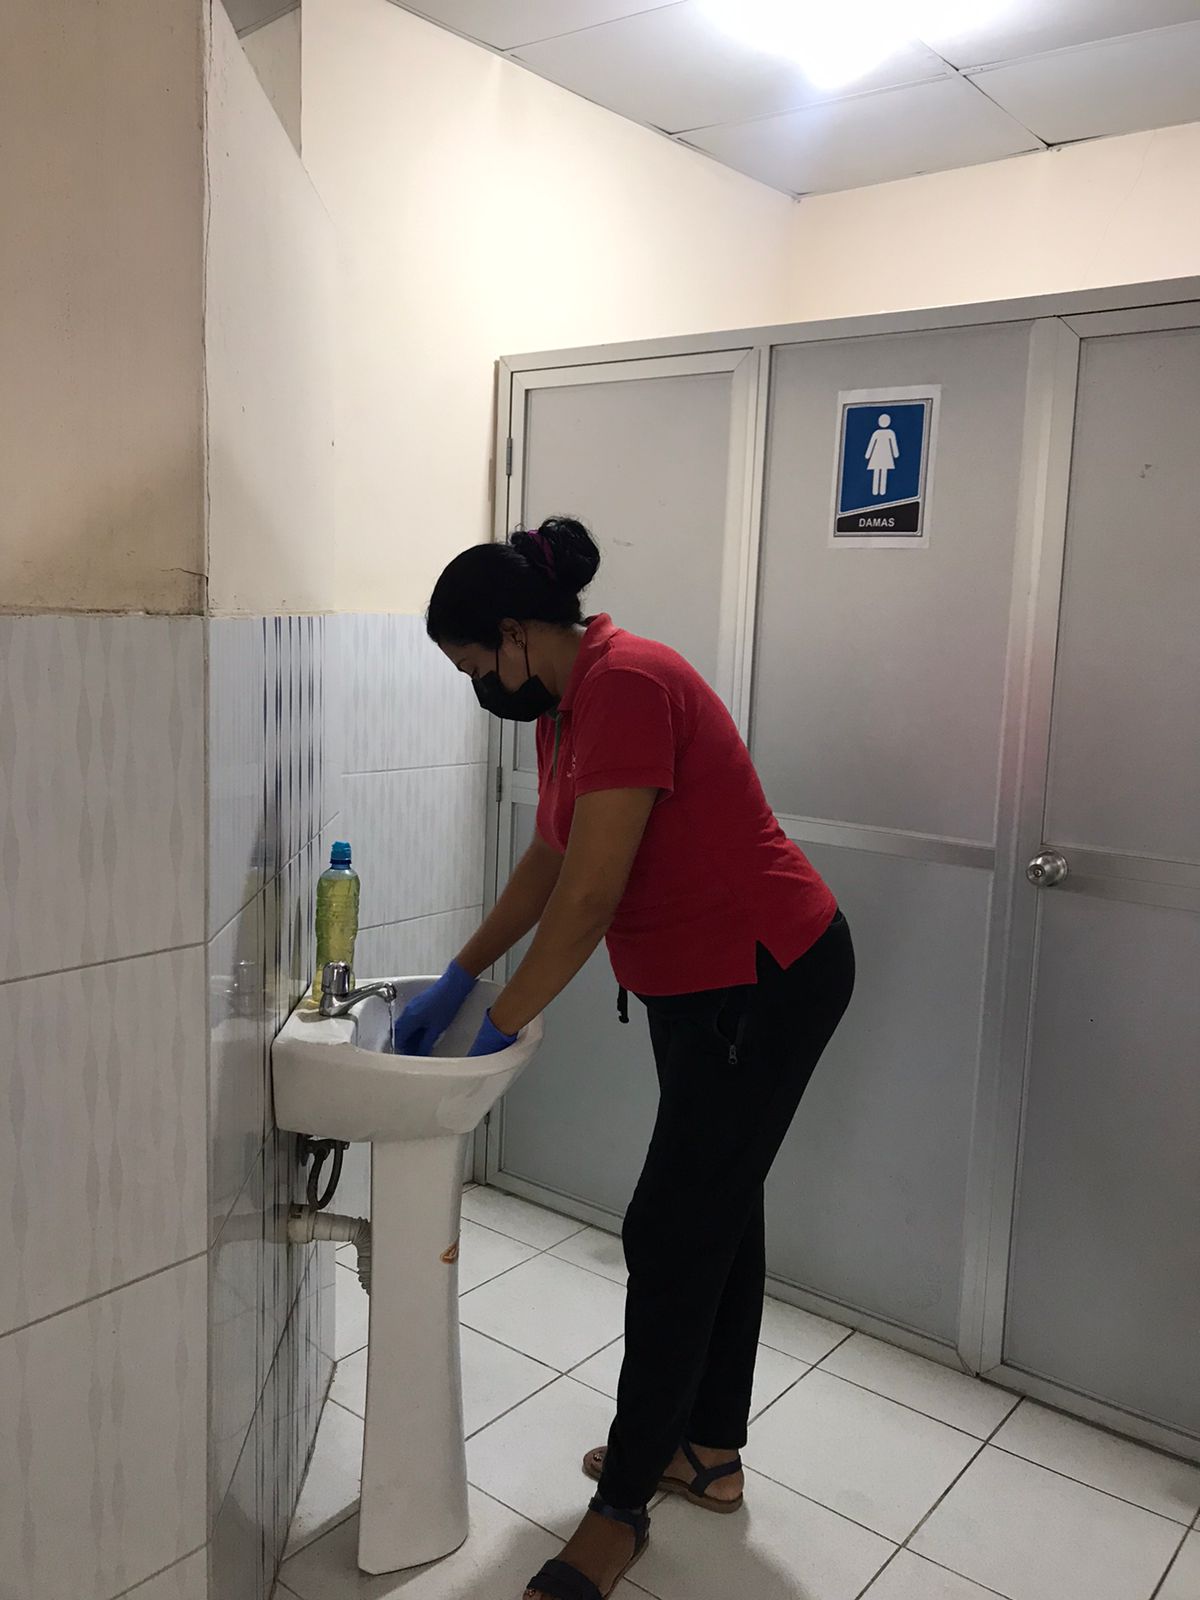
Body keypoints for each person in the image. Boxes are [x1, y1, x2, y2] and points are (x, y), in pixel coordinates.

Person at [394, 518, 855, 1600]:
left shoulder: (629, 683)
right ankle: (708, 1450)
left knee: (671, 1226)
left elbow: (593, 894)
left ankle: (621, 1511)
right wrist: (460, 972)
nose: (479, 686)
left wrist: (501, 1022)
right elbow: (551, 857)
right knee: (718, 1209)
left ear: (517, 633)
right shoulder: (567, 706)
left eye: (475, 664)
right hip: (698, 987)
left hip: (762, 976)